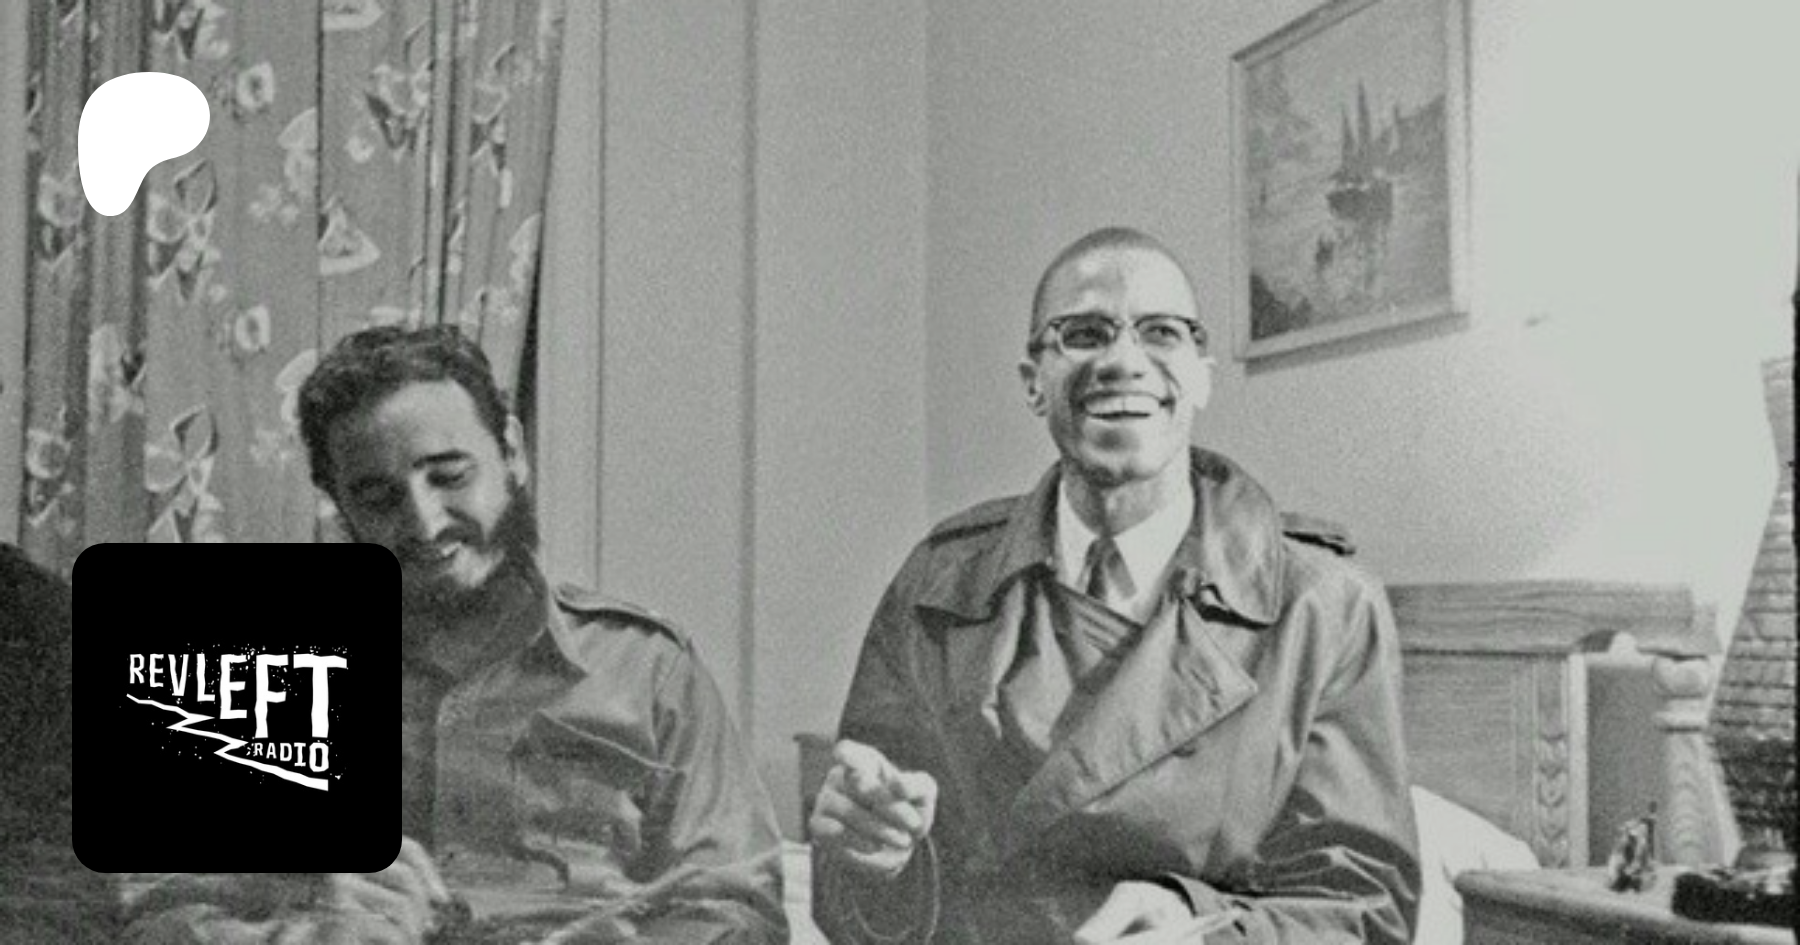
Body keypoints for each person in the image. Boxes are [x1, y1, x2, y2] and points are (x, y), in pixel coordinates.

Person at [809, 228, 1419, 944]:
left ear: (1200, 375)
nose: (1123, 361)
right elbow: (863, 889)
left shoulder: (1323, 606)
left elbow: (1363, 905)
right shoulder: (938, 586)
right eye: (1084, 334)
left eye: (1161, 332)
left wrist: (1203, 928)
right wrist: (875, 863)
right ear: (1033, 381)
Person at [119, 325, 787, 944]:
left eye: (449, 475)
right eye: (379, 497)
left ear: (512, 453)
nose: (425, 521)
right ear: (338, 504)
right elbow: (153, 916)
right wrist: (304, 928)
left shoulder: (648, 669)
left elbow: (740, 912)